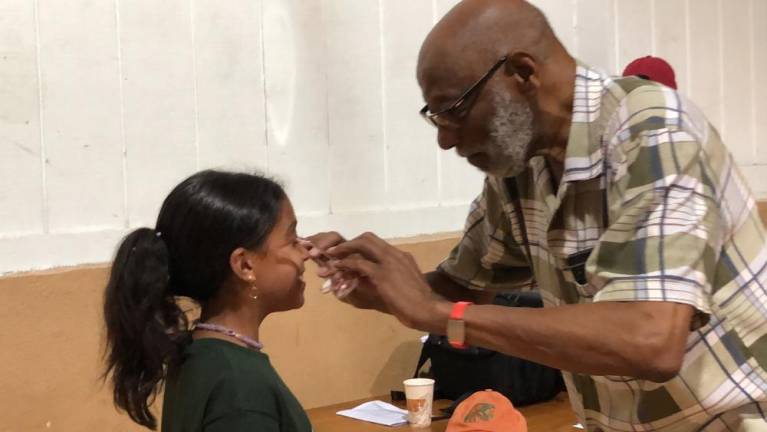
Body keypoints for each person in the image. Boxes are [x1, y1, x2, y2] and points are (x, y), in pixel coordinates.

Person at [310, 0, 767, 430]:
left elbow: (650, 339)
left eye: (455, 110)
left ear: (522, 73)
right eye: (436, 116)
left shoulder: (653, 132)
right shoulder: (520, 168)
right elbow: (460, 290)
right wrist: (383, 285)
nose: (445, 141)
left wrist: (436, 312)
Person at [103, 170, 312, 431]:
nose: (306, 252)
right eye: (292, 240)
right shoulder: (240, 388)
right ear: (245, 265)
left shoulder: (198, 351)